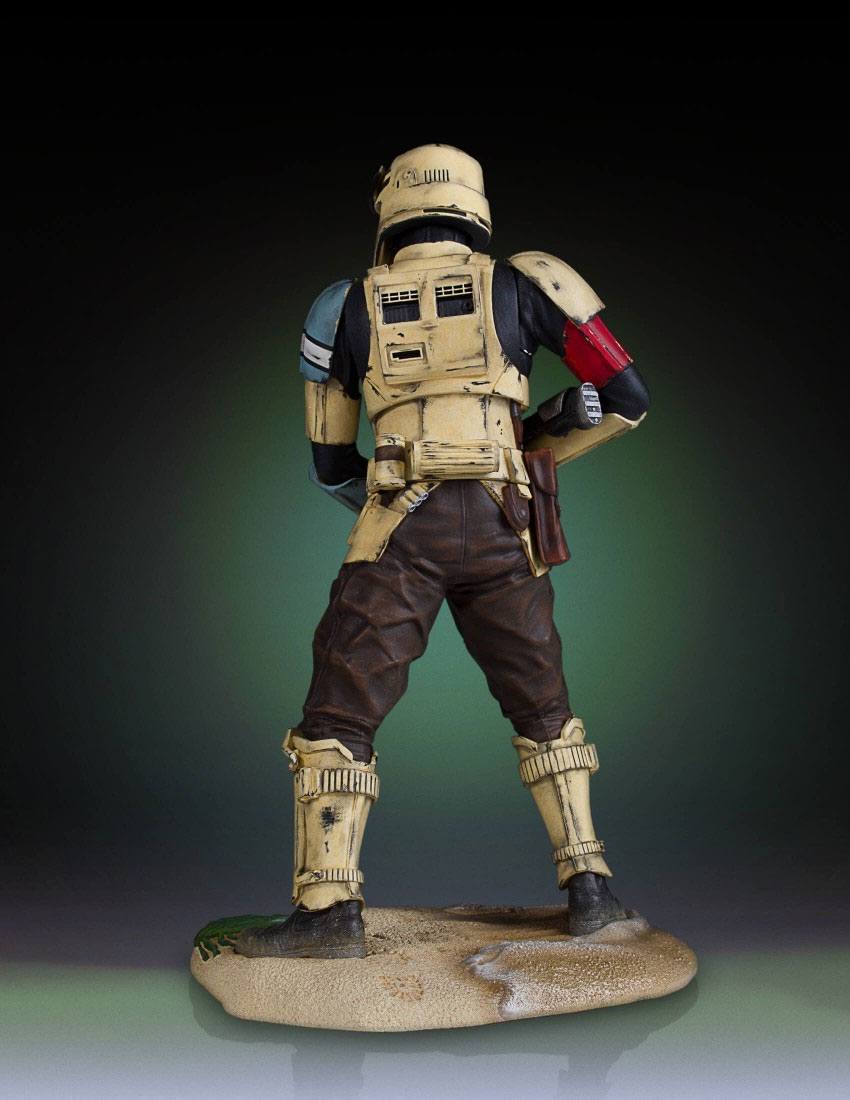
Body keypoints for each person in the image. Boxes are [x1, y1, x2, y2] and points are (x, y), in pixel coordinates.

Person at [236, 144, 651, 960]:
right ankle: (591, 890)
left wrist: (399, 498)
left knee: (340, 713)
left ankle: (328, 910)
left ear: (389, 208)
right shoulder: (530, 282)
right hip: (506, 520)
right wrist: (530, 450)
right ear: (474, 206)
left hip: (400, 520)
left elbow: (331, 466)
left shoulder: (339, 307)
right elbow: (625, 399)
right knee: (543, 704)